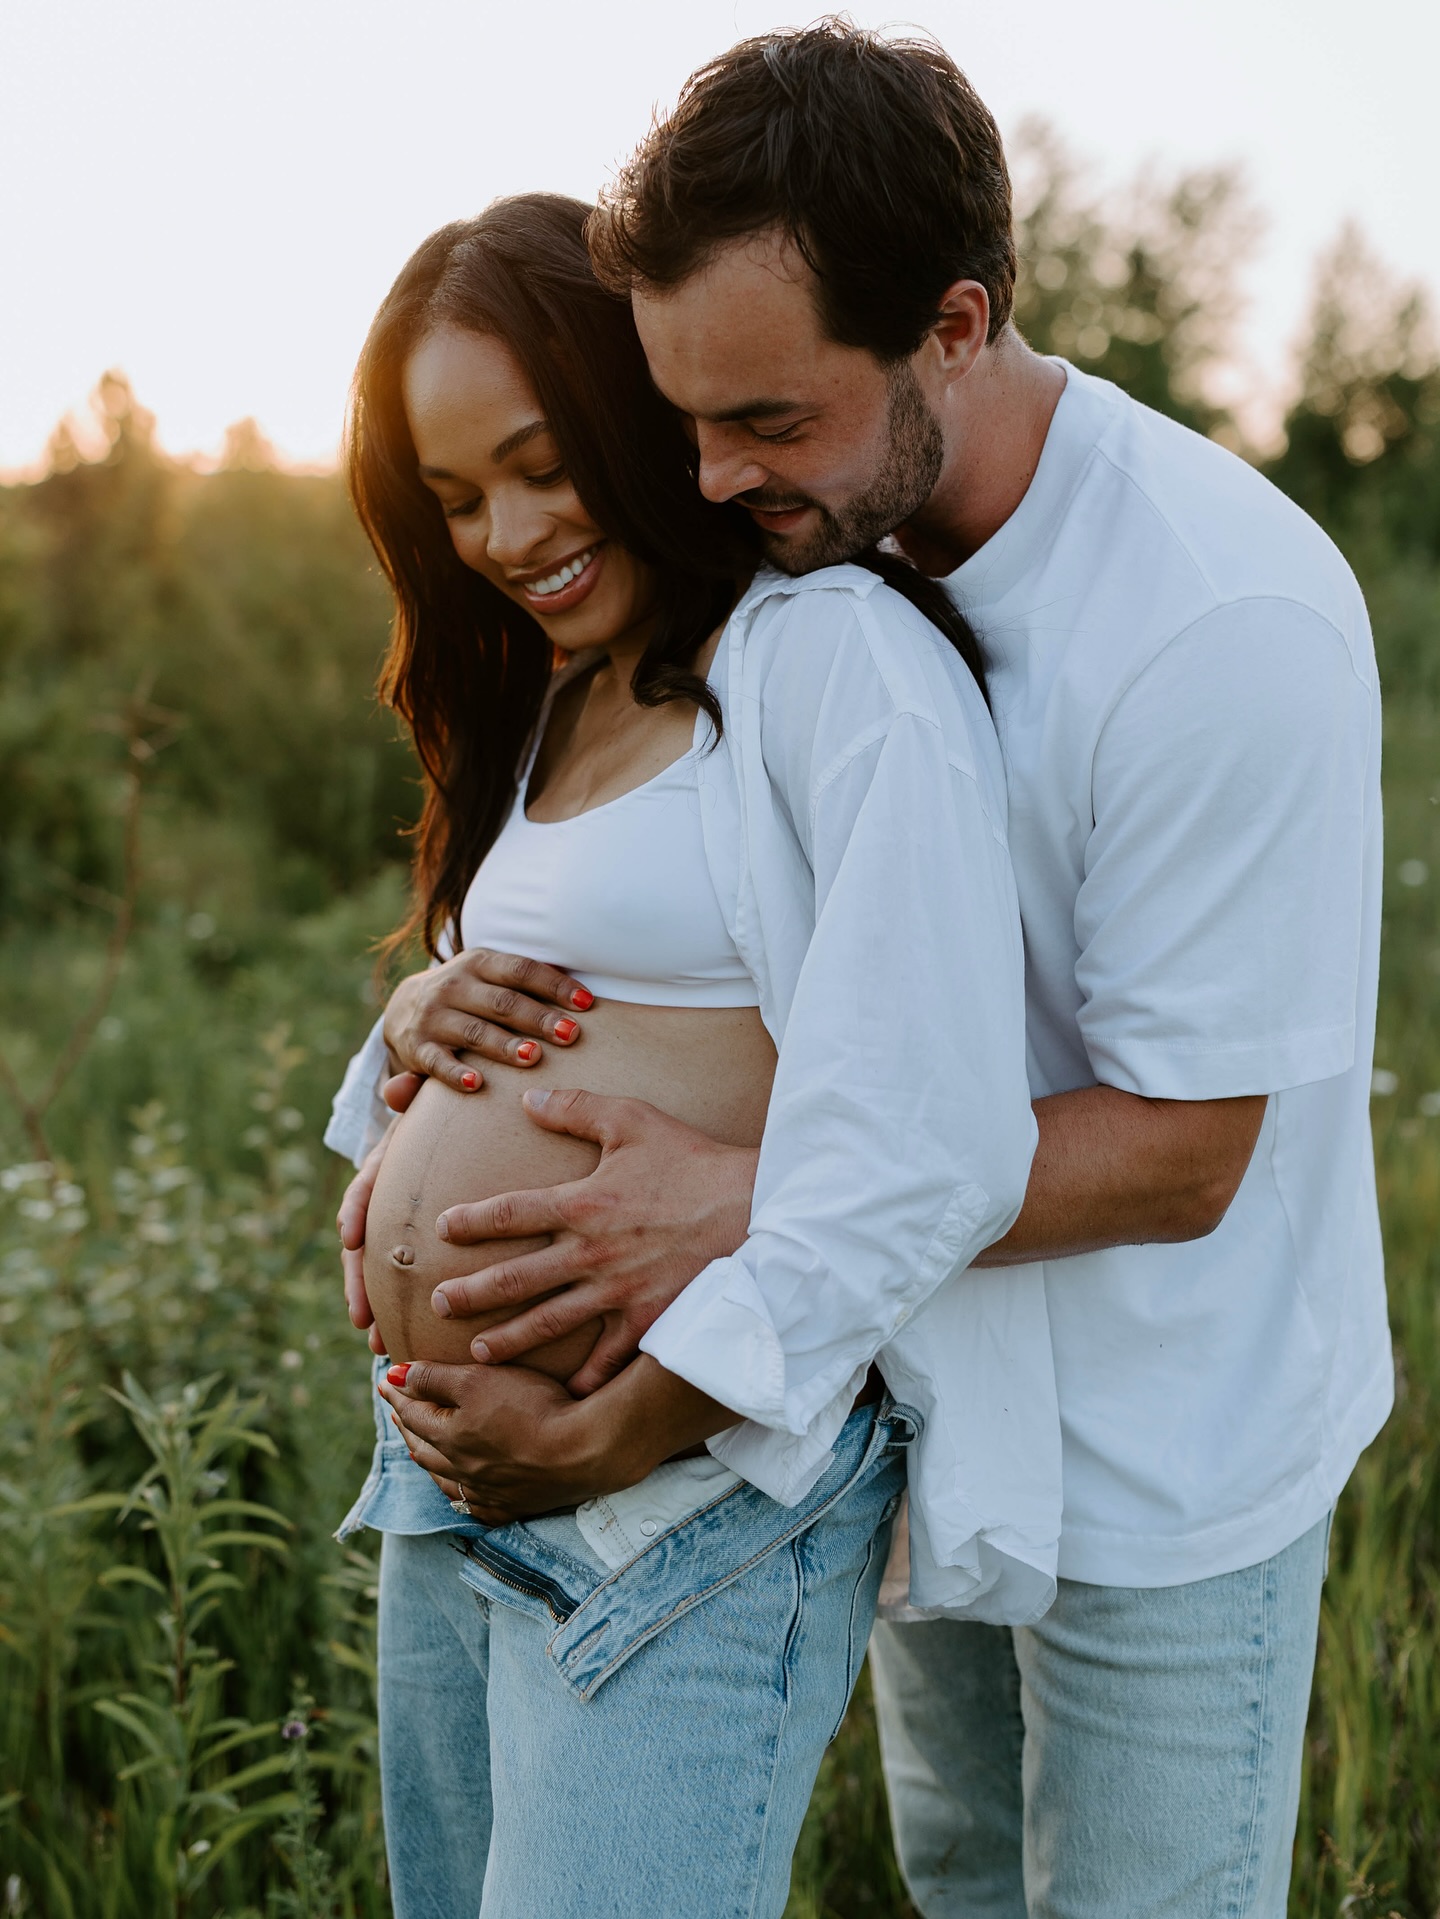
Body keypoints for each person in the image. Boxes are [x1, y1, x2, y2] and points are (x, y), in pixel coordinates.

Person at [355, 25, 1390, 1919]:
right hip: (923, 1385)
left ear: (954, 327)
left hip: (1164, 1446)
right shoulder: (802, 553)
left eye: (765, 418)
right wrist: (437, 1021)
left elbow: (1188, 1154)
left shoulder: (1216, 619)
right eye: (679, 413)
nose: (707, 473)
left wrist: (733, 1216)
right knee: (963, 1881)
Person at [325, 191, 1056, 1919]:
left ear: (636, 407)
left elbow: (935, 1137)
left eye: (540, 464)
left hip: (680, 1493)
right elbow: (554, 1006)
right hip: (451, 1472)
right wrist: (409, 1029)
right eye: (455, 498)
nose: (506, 534)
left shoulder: (830, 660)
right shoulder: (560, 689)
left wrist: (626, 1420)